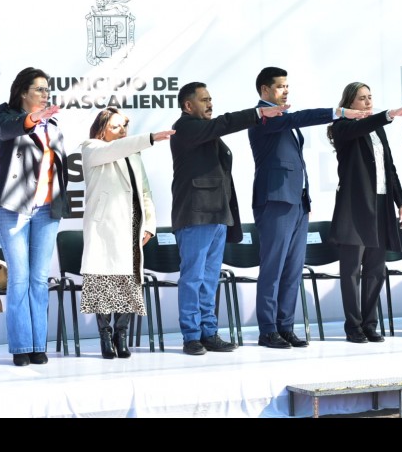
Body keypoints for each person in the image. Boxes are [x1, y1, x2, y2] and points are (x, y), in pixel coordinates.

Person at [248, 67, 370, 349]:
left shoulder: (282, 118)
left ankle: (285, 326)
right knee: (273, 268)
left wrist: (305, 197)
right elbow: (300, 118)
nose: (286, 90)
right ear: (265, 90)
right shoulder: (262, 116)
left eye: (287, 85)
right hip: (275, 200)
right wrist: (339, 112)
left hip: (298, 202)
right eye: (280, 86)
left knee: (293, 270)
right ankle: (268, 329)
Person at [171, 82, 288, 355]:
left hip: (218, 214)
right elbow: (223, 123)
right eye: (204, 100)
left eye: (211, 99)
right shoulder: (185, 127)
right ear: (188, 105)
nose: (210, 103)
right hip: (196, 214)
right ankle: (191, 336)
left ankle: (208, 332)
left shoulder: (205, 130)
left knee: (210, 279)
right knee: (193, 278)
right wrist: (258, 113)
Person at [79, 107, 175, 358]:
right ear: (102, 130)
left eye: (124, 126)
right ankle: (105, 335)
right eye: (115, 126)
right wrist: (150, 138)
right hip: (104, 227)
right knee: (103, 281)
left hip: (132, 224)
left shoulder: (133, 153)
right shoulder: (91, 148)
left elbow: (145, 191)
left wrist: (150, 225)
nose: (122, 131)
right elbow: (114, 150)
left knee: (128, 282)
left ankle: (121, 334)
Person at [326, 82, 402, 343]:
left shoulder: (377, 128)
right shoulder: (342, 127)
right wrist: (389, 115)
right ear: (349, 103)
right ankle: (353, 326)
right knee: (351, 270)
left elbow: (390, 167)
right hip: (355, 207)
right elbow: (359, 127)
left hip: (381, 204)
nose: (367, 102)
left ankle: (369, 324)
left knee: (376, 269)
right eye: (362, 98)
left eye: (370, 97)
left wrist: (400, 202)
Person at [0, 67, 72, 366]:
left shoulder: (53, 124)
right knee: (20, 278)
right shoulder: (6, 117)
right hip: (13, 209)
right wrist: (33, 119)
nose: (44, 94)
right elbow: (8, 130)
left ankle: (39, 344)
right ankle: (21, 346)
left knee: (39, 279)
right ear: (23, 92)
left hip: (47, 210)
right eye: (39, 89)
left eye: (47, 89)